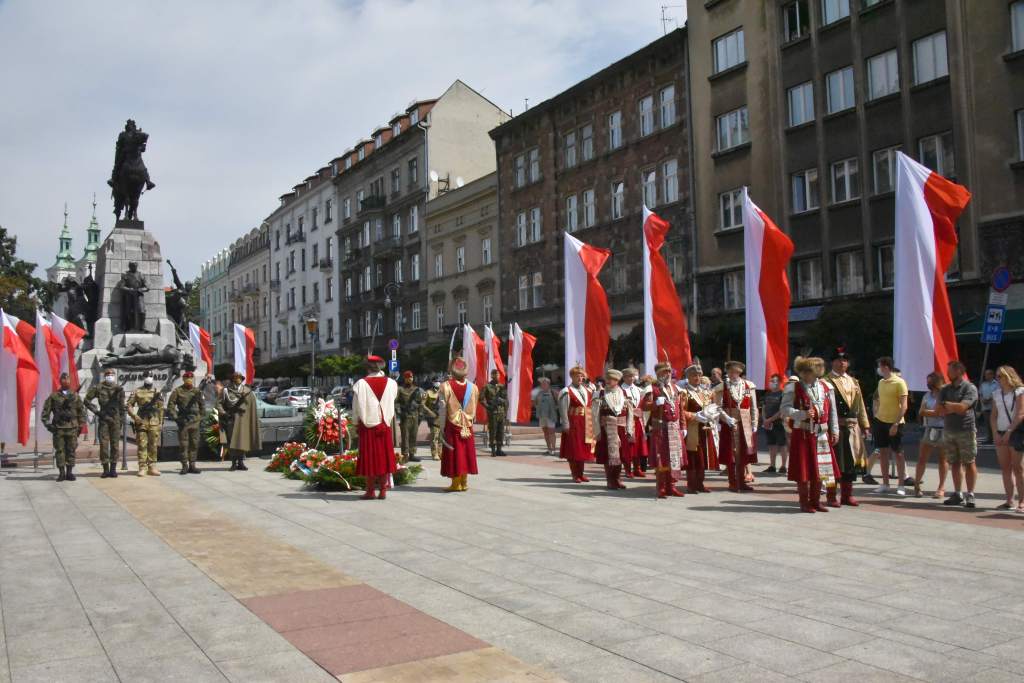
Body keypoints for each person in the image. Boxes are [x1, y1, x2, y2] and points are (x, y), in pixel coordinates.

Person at [782, 357, 840, 513]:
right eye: (804, 372)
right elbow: (785, 409)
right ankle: (804, 502)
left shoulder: (826, 387)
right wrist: (802, 414)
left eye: (809, 371)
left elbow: (833, 411)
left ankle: (816, 501)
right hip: (803, 433)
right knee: (804, 469)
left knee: (822, 469)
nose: (806, 375)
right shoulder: (792, 388)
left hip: (822, 434)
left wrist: (835, 430)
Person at [824, 348, 870, 507]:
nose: (841, 363)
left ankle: (847, 495)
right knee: (833, 462)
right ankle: (831, 495)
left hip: (852, 427)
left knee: (850, 462)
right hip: (834, 427)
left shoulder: (853, 381)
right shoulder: (826, 381)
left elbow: (860, 405)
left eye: (844, 360)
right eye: (838, 360)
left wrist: (865, 425)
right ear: (832, 362)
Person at [351, 355, 398, 500]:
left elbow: (356, 407)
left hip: (368, 425)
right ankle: (383, 490)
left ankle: (370, 491)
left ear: (367, 368)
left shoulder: (360, 384)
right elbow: (393, 399)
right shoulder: (391, 383)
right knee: (384, 457)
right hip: (384, 424)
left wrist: (355, 423)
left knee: (369, 458)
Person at [936, 360, 979, 508]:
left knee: (969, 462)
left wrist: (949, 406)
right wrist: (955, 407)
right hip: (949, 430)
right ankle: (957, 493)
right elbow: (938, 410)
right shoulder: (945, 389)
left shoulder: (969, 388)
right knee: (954, 462)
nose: (947, 373)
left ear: (959, 371)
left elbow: (963, 408)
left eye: (950, 370)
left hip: (966, 429)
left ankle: (970, 494)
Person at [641, 361, 686, 498]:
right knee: (662, 458)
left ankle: (671, 486)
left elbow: (680, 409)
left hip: (674, 428)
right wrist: (655, 404)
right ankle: (661, 487)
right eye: (664, 372)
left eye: (668, 372)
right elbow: (644, 406)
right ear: (658, 374)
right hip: (661, 428)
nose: (667, 374)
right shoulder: (652, 388)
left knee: (674, 458)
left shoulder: (675, 388)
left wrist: (683, 426)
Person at [714, 361, 758, 493]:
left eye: (735, 372)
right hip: (730, 422)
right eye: (730, 372)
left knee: (744, 453)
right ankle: (733, 482)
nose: (732, 374)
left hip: (745, 422)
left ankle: (742, 481)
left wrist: (754, 423)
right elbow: (717, 407)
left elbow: (754, 406)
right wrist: (726, 418)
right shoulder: (722, 387)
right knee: (731, 453)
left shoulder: (749, 386)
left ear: (740, 372)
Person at [438, 357, 480, 492]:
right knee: (466, 453)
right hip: (467, 425)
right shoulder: (474, 387)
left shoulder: (445, 386)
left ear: (452, 371)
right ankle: (464, 482)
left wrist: (442, 426)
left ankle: (456, 484)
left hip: (452, 424)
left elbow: (442, 409)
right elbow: (475, 407)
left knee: (454, 453)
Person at [871, 357, 909, 496]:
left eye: (880, 366)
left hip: (895, 422)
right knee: (882, 452)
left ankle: (901, 485)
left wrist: (896, 424)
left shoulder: (900, 382)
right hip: (880, 421)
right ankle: (885, 484)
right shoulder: (881, 382)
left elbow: (904, 406)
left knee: (898, 453)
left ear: (886, 367)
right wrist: (876, 415)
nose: (879, 369)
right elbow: (878, 400)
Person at [679, 364, 718, 494]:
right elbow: (681, 412)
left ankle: (700, 483)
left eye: (699, 375)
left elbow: (712, 407)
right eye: (694, 375)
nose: (697, 378)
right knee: (693, 457)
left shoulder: (704, 392)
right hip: (692, 429)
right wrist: (695, 416)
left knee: (703, 457)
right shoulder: (684, 392)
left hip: (705, 428)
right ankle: (691, 484)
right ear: (688, 377)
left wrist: (712, 414)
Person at [42, 372, 87, 482]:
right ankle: (61, 473)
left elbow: (81, 412)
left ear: (70, 381)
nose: (66, 381)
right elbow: (45, 414)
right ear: (60, 381)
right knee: (60, 451)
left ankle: (69, 472)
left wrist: (80, 426)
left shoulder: (75, 396)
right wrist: (49, 426)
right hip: (59, 429)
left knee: (71, 450)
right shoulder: (54, 396)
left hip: (72, 428)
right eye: (63, 379)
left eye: (67, 379)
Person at [990, 365, 1024, 512]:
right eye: (997, 376)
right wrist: (995, 433)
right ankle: (1009, 500)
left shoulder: (1020, 391)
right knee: (1005, 467)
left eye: (1000, 376)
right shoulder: (996, 393)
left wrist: (1008, 432)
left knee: (1018, 468)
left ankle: (1022, 501)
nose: (998, 379)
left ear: (1009, 376)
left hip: (1016, 432)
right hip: (1000, 430)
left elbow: (1020, 413)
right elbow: (993, 416)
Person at [593, 369, 633, 490]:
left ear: (617, 380)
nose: (608, 381)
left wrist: (629, 429)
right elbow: (595, 415)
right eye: (607, 379)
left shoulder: (624, 394)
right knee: (608, 456)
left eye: (612, 379)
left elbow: (630, 413)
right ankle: (610, 480)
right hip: (606, 429)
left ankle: (617, 479)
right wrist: (597, 431)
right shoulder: (600, 394)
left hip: (621, 429)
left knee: (620, 456)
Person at [84, 368, 125, 478]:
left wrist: (121, 420)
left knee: (115, 445)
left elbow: (122, 406)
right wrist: (97, 412)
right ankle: (105, 469)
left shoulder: (119, 389)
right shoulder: (98, 388)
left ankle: (113, 469)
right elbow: (86, 401)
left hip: (115, 419)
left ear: (114, 376)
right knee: (103, 445)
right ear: (105, 376)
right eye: (108, 374)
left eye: (112, 374)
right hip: (104, 419)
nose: (110, 376)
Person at [914, 372, 948, 499]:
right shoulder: (927, 395)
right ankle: (917, 485)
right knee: (922, 458)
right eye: (927, 381)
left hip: (944, 429)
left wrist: (931, 412)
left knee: (943, 459)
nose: (928, 384)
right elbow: (921, 412)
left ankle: (941, 487)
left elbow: (944, 412)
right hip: (929, 428)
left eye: (930, 381)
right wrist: (935, 412)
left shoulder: (946, 395)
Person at [218, 372, 261, 472]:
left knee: (243, 441)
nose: (238, 379)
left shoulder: (247, 391)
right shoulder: (226, 390)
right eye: (236, 377)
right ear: (232, 379)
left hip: (243, 420)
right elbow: (219, 403)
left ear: (242, 379)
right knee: (232, 441)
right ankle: (233, 463)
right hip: (231, 419)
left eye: (240, 378)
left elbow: (251, 406)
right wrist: (223, 413)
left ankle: (241, 462)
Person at [559, 365, 595, 483]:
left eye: (582, 376)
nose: (580, 378)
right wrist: (565, 424)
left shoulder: (587, 390)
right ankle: (575, 474)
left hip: (586, 423)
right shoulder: (566, 391)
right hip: (573, 423)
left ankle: (581, 473)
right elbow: (563, 409)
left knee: (582, 449)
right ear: (572, 377)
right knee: (574, 449)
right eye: (577, 376)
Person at [167, 370, 204, 475]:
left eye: (190, 378)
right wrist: (176, 418)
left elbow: (202, 405)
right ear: (183, 379)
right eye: (186, 378)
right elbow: (171, 405)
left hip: (195, 421)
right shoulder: (177, 391)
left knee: (194, 444)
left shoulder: (197, 391)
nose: (189, 380)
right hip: (183, 422)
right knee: (184, 445)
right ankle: (184, 465)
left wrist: (200, 418)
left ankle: (192, 465)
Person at [128, 375, 164, 477]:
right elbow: (129, 405)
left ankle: (152, 467)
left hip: (154, 421)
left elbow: (161, 408)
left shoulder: (157, 392)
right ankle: (142, 467)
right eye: (147, 375)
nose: (149, 377)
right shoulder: (137, 391)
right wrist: (134, 416)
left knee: (153, 445)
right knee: (142, 444)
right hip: (141, 421)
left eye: (150, 376)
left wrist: (161, 423)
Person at [621, 367, 646, 478]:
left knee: (638, 445)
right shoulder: (620, 390)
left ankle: (637, 468)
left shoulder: (639, 390)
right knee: (628, 445)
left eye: (632, 376)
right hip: (627, 420)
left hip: (638, 421)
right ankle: (627, 469)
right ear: (624, 377)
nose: (631, 378)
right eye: (628, 376)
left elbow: (642, 404)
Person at [761, 374, 787, 474]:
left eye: (774, 381)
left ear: (779, 383)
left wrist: (770, 419)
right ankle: (772, 465)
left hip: (779, 423)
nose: (771, 383)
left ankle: (783, 466)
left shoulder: (783, 394)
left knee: (782, 444)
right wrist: (764, 419)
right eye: (771, 381)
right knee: (771, 444)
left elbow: (782, 410)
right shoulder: (767, 394)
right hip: (768, 424)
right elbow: (763, 407)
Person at [395, 371, 423, 463]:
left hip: (415, 415)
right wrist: (399, 412)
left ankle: (412, 454)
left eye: (411, 377)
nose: (410, 379)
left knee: (413, 436)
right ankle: (405, 455)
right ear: (405, 379)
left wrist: (421, 414)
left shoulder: (416, 389)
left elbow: (420, 403)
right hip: (405, 416)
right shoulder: (400, 389)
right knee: (405, 436)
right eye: (408, 378)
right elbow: (396, 402)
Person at [481, 369, 508, 457]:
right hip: (493, 413)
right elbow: (481, 399)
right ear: (492, 375)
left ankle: (499, 449)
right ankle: (493, 449)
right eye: (495, 374)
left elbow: (506, 399)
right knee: (493, 431)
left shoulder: (502, 386)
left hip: (501, 412)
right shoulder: (487, 387)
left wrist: (503, 404)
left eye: (498, 375)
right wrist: (488, 407)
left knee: (501, 431)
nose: (497, 376)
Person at [534, 377, 559, 455]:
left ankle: (553, 449)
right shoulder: (539, 393)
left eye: (544, 383)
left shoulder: (553, 392)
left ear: (548, 384)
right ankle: (549, 449)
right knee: (545, 432)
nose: (543, 385)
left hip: (551, 416)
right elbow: (535, 403)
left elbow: (559, 403)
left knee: (551, 432)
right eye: (542, 384)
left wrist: (554, 409)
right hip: (542, 416)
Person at [421, 380, 442, 461]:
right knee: (434, 436)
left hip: (442, 417)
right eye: (436, 381)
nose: (438, 382)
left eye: (439, 381)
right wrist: (430, 412)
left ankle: (440, 453)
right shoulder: (428, 392)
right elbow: (422, 404)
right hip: (433, 417)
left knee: (441, 437)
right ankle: (434, 453)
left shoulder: (443, 391)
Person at [978, 368, 998, 444]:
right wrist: (982, 400)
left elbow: (998, 393)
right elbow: (980, 394)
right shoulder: (983, 384)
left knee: (995, 423)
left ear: (992, 375)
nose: (986, 376)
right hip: (985, 407)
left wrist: (989, 399)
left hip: (995, 407)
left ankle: (996, 438)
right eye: (985, 374)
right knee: (987, 424)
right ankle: (989, 439)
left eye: (987, 374)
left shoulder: (997, 384)